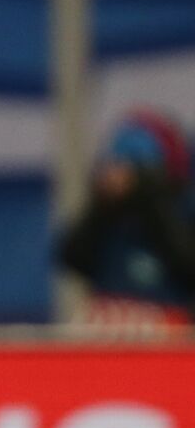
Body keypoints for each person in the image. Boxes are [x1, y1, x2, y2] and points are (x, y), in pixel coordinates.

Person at [59, 110, 195, 330]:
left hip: (168, 325)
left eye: (129, 166)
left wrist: (150, 196)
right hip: (107, 324)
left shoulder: (182, 206)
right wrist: (102, 205)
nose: (119, 175)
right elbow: (72, 258)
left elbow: (187, 266)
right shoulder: (109, 212)